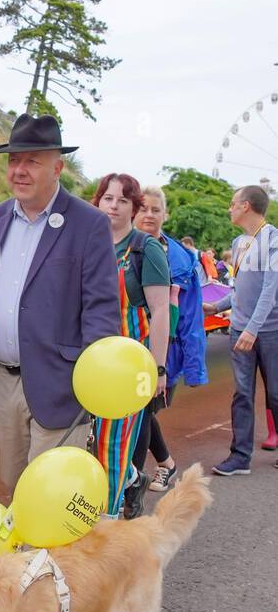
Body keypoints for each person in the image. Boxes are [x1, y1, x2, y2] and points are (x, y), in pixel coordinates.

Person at [0, 114, 120, 498]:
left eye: (31, 161)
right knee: (15, 486)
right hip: (2, 381)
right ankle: (29, 559)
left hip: (62, 382)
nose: (18, 170)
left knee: (51, 495)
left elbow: (101, 309)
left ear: (57, 167)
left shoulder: (89, 224)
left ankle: (50, 559)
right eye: (13, 161)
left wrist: (96, 379)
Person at [90, 174, 171, 518]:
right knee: (88, 443)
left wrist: (158, 368)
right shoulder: (87, 243)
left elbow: (161, 310)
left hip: (128, 365)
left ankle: (104, 525)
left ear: (133, 207)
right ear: (97, 201)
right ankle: (132, 478)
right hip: (88, 363)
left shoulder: (144, 248)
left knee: (112, 445)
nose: (113, 205)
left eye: (123, 200)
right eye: (108, 198)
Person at [135, 185, 208, 490]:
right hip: (119, 348)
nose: (149, 214)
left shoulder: (182, 261)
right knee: (137, 413)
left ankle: (131, 486)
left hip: (164, 352)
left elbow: (191, 319)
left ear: (165, 214)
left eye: (155, 209)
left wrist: (194, 366)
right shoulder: (113, 245)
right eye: (143, 208)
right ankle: (166, 464)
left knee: (141, 412)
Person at [205, 186, 278, 476]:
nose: (229, 208)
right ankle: (240, 457)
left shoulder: (272, 240)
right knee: (243, 394)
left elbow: (270, 290)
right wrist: (218, 306)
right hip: (240, 330)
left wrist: (253, 328)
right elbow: (240, 288)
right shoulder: (238, 243)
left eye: (233, 203)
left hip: (269, 332)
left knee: (275, 394)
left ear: (246, 206)